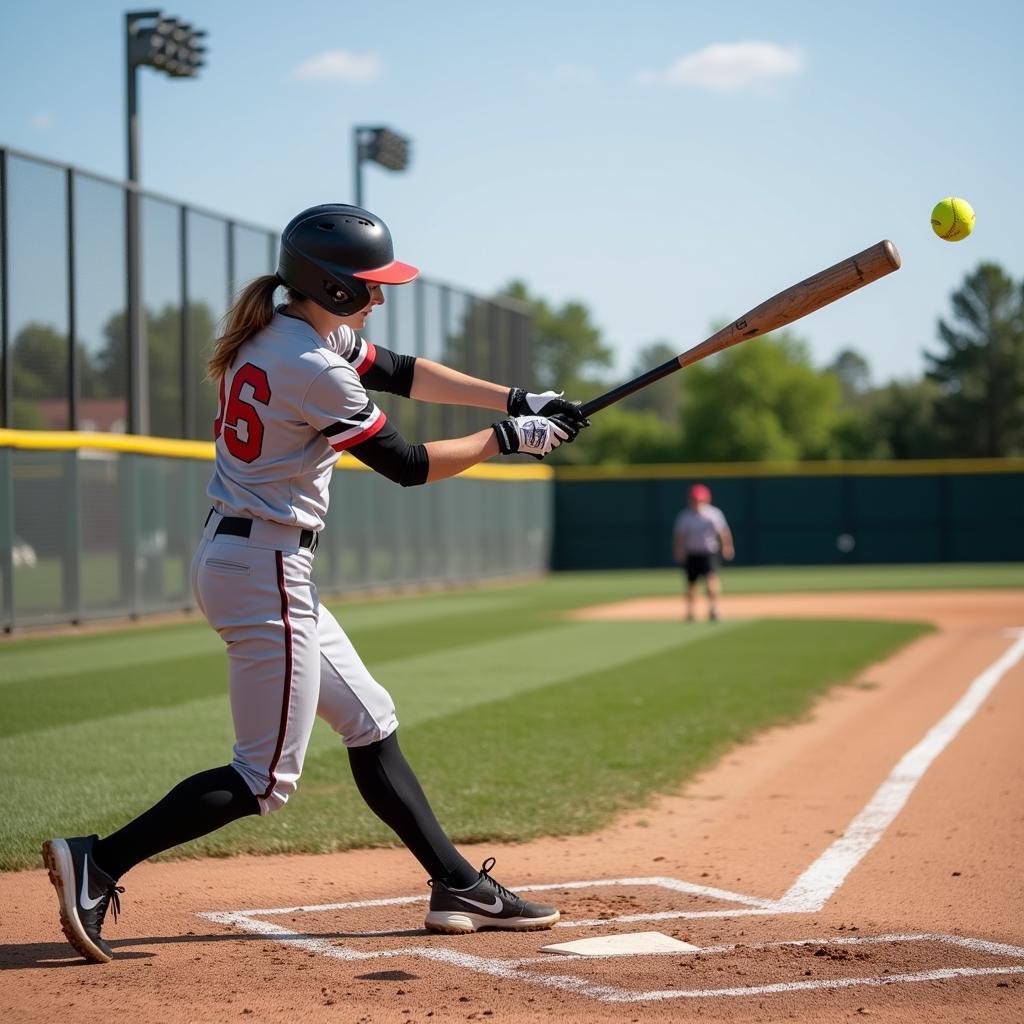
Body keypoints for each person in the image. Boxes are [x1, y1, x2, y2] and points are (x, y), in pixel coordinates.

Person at [41, 203, 590, 964]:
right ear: (331, 288)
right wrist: (508, 439)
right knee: (263, 779)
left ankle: (456, 883)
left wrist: (514, 399)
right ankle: (96, 864)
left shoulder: (284, 333)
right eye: (369, 285)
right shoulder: (312, 367)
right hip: (263, 567)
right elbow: (407, 465)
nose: (380, 297)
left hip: (250, 557)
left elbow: (400, 371)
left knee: (369, 718)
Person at [672, 482, 734, 622]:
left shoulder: (713, 514)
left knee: (711, 580)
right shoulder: (685, 516)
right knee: (691, 584)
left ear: (706, 499)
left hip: (709, 552)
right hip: (692, 553)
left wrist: (727, 546)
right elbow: (679, 536)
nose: (697, 503)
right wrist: (679, 550)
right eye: (694, 500)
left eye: (700, 500)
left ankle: (714, 609)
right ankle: (691, 612)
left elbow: (723, 532)